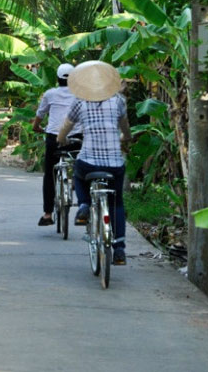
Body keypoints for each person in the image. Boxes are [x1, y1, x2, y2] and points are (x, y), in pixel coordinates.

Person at [57, 60, 132, 265]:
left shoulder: (80, 102)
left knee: (78, 177)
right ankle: (119, 250)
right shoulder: (118, 101)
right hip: (115, 164)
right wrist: (126, 137)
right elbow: (124, 127)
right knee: (117, 203)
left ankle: (83, 205)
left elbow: (66, 125)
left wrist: (61, 138)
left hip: (89, 161)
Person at [32, 63, 81, 227]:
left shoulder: (50, 94)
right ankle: (84, 204)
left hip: (54, 139)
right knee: (81, 168)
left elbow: (40, 115)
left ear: (57, 78)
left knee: (49, 174)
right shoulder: (80, 94)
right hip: (76, 138)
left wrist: (36, 127)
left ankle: (47, 214)